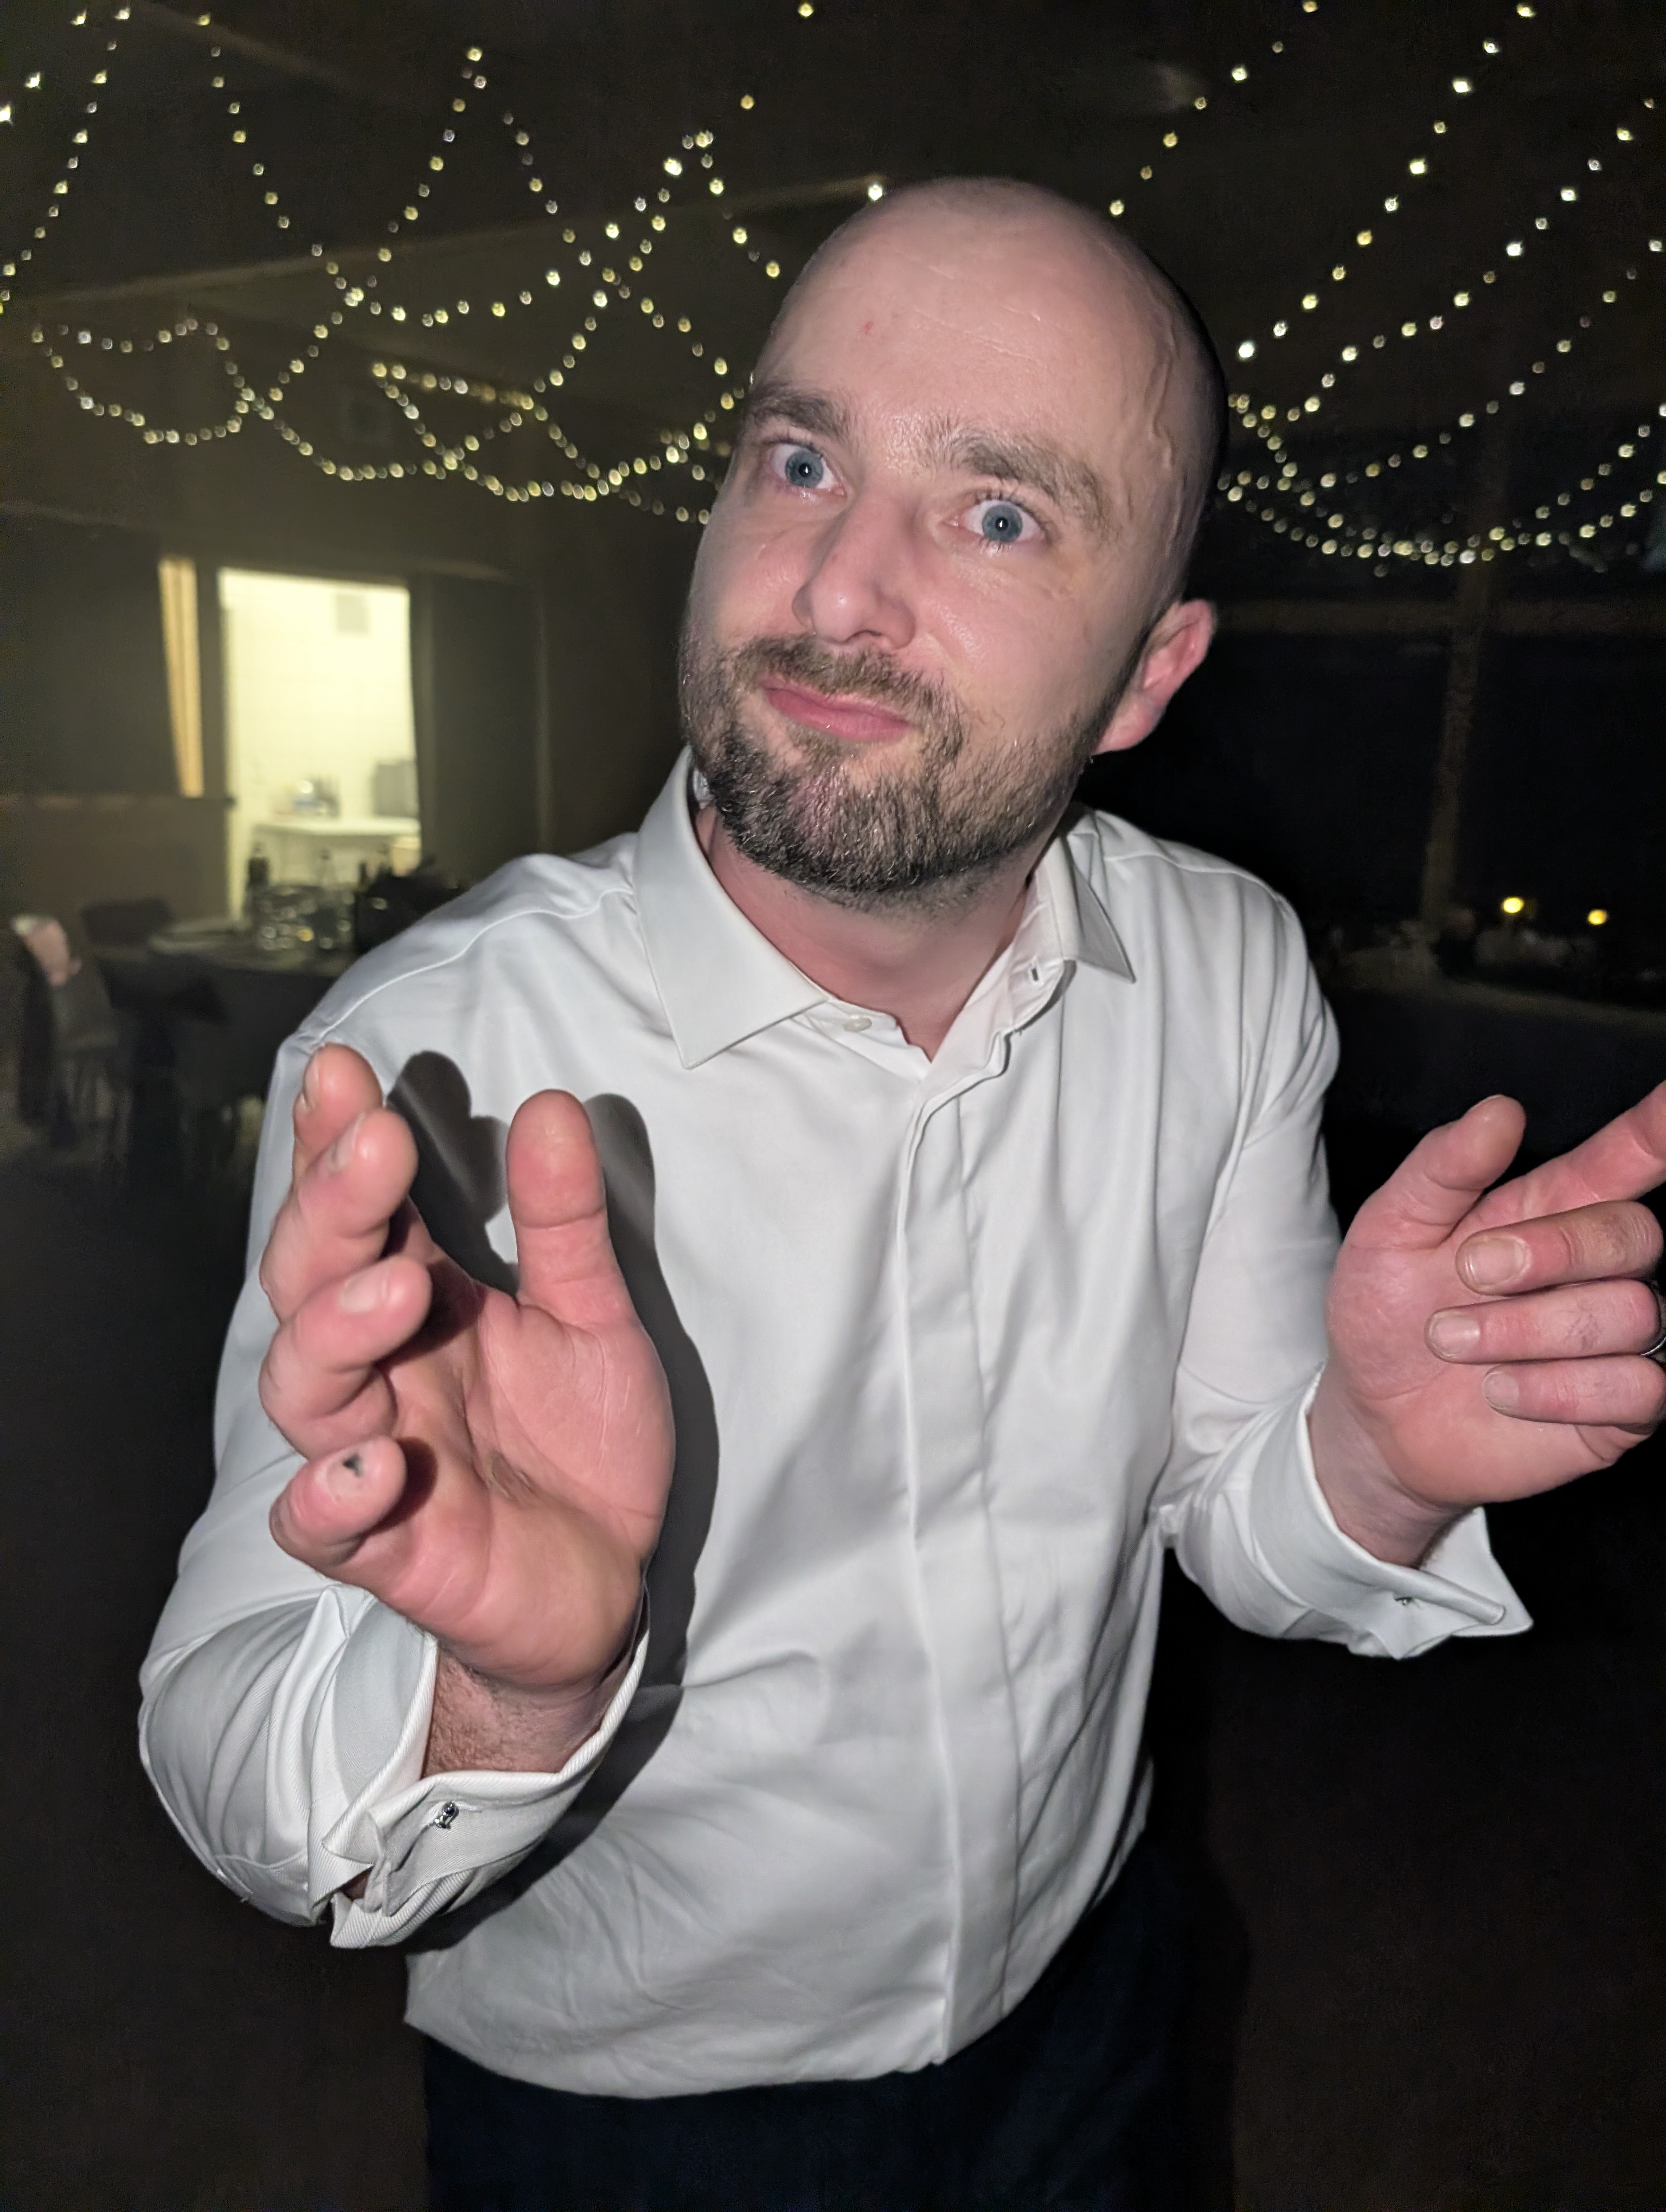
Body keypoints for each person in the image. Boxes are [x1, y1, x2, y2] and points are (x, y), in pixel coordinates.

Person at [142, 179, 1666, 2211]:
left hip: (1091, 2006)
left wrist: (1369, 1463)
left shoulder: (1225, 970)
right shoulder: (440, 1051)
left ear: (1148, 675)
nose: (842, 588)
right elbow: (230, 1748)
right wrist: (501, 1692)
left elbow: (1237, 1515)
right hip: (636, 2125)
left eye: (999, 513)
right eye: (802, 463)